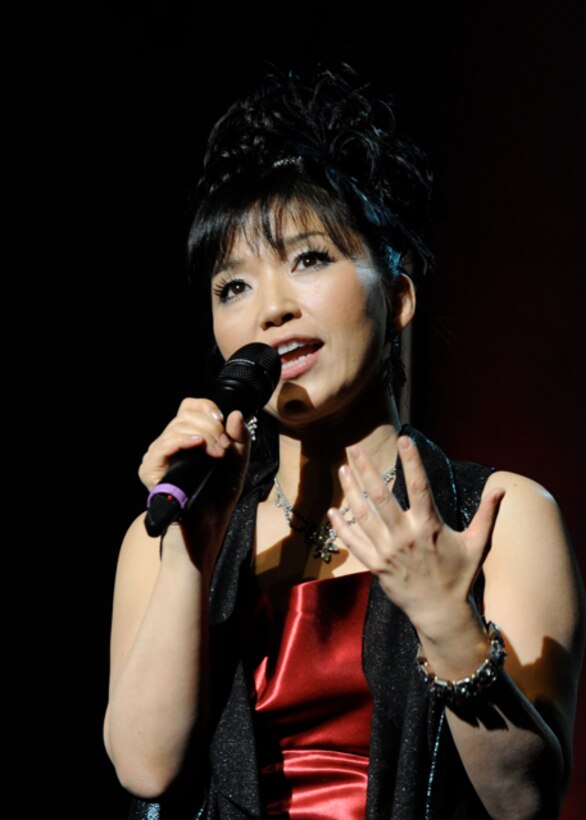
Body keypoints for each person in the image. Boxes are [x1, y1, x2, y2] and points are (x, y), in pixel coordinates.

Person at [103, 66, 585, 819]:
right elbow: (145, 768)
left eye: (310, 259)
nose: (272, 309)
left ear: (396, 298)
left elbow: (525, 800)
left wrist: (449, 625)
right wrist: (189, 555)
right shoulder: (165, 531)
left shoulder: (501, 515)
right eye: (234, 286)